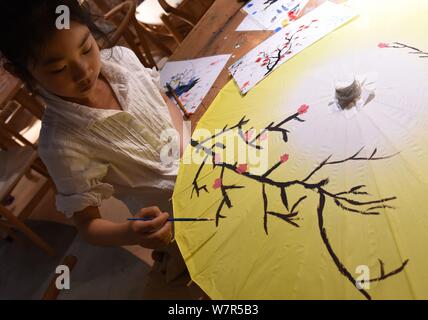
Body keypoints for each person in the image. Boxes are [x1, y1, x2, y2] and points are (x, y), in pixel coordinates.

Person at [0, 1, 190, 258]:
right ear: (21, 72)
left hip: (208, 166)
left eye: (87, 48)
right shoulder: (62, 144)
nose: (83, 71)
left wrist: (187, 147)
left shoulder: (123, 59)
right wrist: (133, 232)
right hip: (180, 219)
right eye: (58, 69)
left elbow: (161, 99)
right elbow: (88, 225)